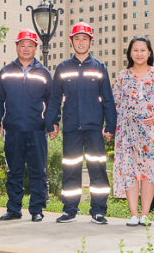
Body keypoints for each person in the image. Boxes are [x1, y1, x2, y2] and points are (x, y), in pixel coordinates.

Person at [46, 22, 117, 225]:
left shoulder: (99, 68)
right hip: (71, 128)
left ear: (90, 41)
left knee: (98, 168)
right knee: (70, 169)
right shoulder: (63, 68)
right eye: (77, 38)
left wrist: (110, 125)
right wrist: (52, 123)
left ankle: (98, 211)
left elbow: (108, 98)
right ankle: (70, 210)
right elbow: (54, 98)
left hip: (94, 128)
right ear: (71, 42)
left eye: (84, 39)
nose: (80, 42)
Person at [113, 36, 154, 227]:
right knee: (130, 171)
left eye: (143, 50)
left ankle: (145, 214)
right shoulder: (122, 76)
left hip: (152, 130)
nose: (139, 54)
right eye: (135, 50)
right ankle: (133, 214)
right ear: (129, 53)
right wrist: (109, 126)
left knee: (149, 172)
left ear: (149, 52)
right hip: (127, 131)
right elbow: (114, 103)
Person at [0, 29, 53, 223]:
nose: (26, 49)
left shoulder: (43, 73)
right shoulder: (6, 72)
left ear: (36, 48)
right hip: (13, 129)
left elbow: (52, 101)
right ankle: (13, 209)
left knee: (38, 171)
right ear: (17, 47)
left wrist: (52, 123)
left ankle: (37, 209)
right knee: (14, 171)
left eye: (30, 45)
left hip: (37, 129)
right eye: (22, 45)